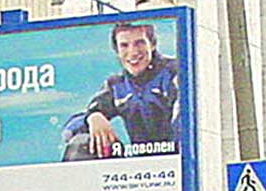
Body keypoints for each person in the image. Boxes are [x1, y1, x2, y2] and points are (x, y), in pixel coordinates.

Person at [60, 22, 183, 161]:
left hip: (176, 165)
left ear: (152, 45)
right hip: (138, 170)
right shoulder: (116, 85)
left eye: (139, 43)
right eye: (124, 45)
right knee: (81, 143)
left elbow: (186, 123)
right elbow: (69, 129)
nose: (133, 52)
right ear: (117, 51)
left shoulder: (175, 72)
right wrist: (93, 117)